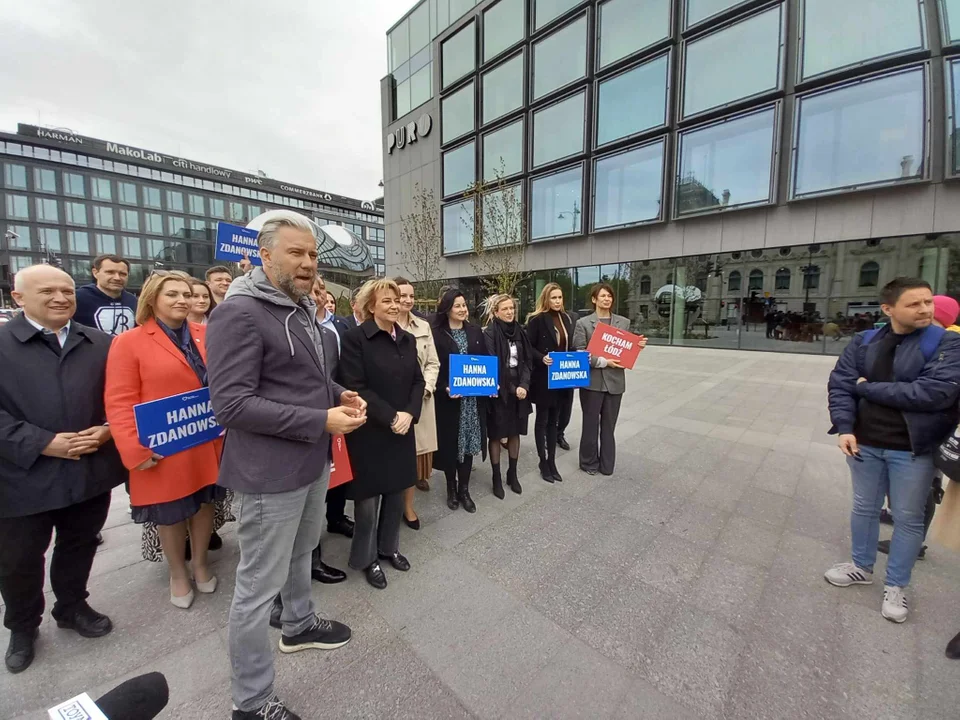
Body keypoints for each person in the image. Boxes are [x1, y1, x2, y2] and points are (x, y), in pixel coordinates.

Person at [206, 211, 364, 720]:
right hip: (268, 476)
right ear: (265, 255)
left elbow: (308, 379)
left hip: (311, 463)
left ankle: (298, 624)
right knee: (255, 591)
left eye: (313, 254)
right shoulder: (240, 313)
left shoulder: (301, 310)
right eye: (296, 252)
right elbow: (230, 405)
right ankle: (250, 703)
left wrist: (341, 394)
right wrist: (321, 418)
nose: (308, 263)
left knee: (304, 551)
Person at [0, 265, 124, 674]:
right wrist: (42, 442)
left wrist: (107, 430)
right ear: (19, 297)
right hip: (22, 476)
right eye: (47, 291)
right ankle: (22, 625)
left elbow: (123, 398)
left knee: (80, 542)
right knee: (19, 558)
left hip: (88, 470)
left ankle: (72, 606)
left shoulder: (101, 343)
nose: (60, 298)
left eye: (67, 290)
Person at [825, 277, 960, 624]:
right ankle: (861, 566)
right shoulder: (864, 340)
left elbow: (932, 393)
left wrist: (868, 389)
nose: (925, 309)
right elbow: (841, 385)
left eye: (928, 302)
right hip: (863, 443)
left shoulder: (946, 342)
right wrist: (844, 427)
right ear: (888, 309)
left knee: (908, 517)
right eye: (914, 304)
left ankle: (897, 585)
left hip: (913, 448)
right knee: (864, 507)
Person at [105, 270, 225, 610]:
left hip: (204, 440)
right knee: (170, 514)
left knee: (204, 506)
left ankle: (200, 563)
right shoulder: (129, 342)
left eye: (186, 294)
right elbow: (118, 400)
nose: (182, 300)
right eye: (172, 294)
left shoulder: (206, 333)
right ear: (152, 298)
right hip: (161, 447)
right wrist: (133, 450)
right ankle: (177, 573)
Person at [340, 278, 424, 588]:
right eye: (386, 300)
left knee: (395, 493)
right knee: (367, 500)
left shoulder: (407, 339)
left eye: (396, 299)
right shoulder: (354, 339)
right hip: (370, 431)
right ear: (371, 305)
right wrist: (390, 416)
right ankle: (366, 558)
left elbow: (418, 381)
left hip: (402, 428)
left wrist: (409, 414)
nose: (394, 304)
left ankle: (389, 548)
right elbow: (355, 385)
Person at [877, 294, 960, 561]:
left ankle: (914, 542)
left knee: (925, 487)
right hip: (911, 429)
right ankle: (899, 519)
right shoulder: (926, 340)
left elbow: (925, 391)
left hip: (931, 430)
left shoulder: (947, 346)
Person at [573, 283, 643, 476]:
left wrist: (638, 346)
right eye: (602, 296)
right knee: (590, 424)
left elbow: (626, 348)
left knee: (609, 426)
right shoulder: (583, 323)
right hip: (592, 383)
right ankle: (588, 462)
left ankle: (607, 464)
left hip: (615, 383)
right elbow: (580, 353)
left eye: (609, 296)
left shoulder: (623, 322)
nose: (606, 299)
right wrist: (603, 362)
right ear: (594, 299)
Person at [431, 289, 487, 513]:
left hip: (472, 401)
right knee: (450, 444)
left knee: (469, 444)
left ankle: (464, 490)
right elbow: (432, 366)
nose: (463, 309)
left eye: (464, 305)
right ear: (447, 308)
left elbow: (484, 361)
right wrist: (443, 386)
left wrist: (490, 384)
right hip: (449, 400)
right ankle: (451, 488)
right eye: (458, 306)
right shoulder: (437, 333)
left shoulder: (475, 331)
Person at [396, 278, 440, 522]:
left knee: (414, 455)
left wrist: (427, 387)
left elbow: (433, 362)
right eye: (402, 295)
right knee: (393, 457)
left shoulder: (423, 326)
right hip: (392, 404)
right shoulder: (384, 326)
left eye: (411, 296)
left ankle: (408, 507)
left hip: (420, 400)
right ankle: (391, 507)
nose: (407, 300)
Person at [526, 283, 576, 483]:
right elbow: (528, 347)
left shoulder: (567, 318)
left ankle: (552, 461)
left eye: (560, 297)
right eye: (554, 298)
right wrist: (541, 357)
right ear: (546, 299)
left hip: (562, 377)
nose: (557, 301)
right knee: (542, 421)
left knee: (555, 421)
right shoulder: (536, 320)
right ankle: (543, 462)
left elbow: (568, 345)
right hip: (544, 378)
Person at [74, 255, 137, 336]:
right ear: (95, 273)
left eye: (123, 274)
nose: (117, 278)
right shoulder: (78, 298)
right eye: (110, 272)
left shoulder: (133, 301)